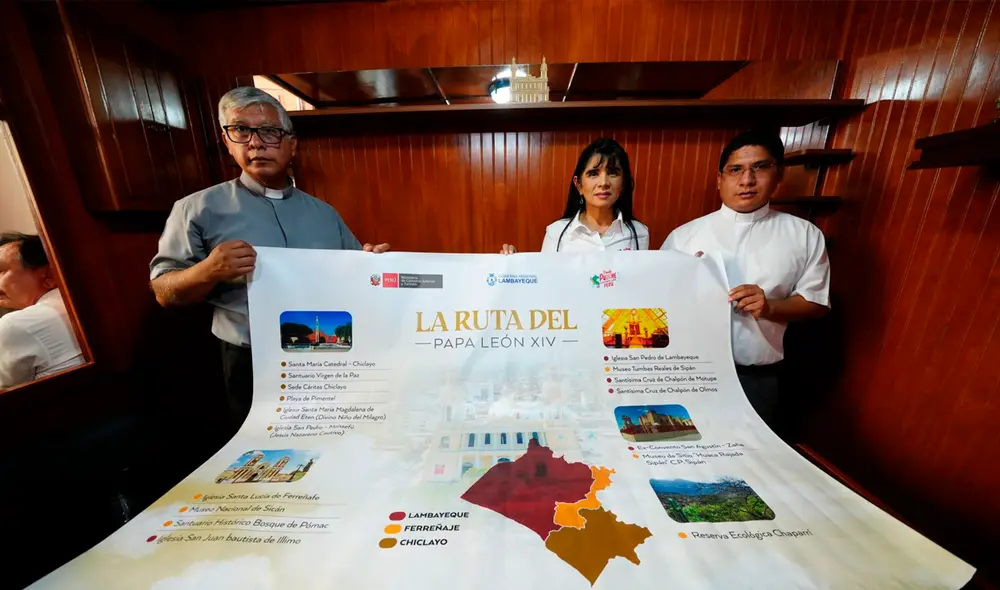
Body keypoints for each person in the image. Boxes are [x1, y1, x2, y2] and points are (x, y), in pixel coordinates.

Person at [150, 87, 389, 428]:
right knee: (258, 452)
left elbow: (356, 279)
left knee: (331, 438)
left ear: (292, 144)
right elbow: (164, 292)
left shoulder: (324, 213)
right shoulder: (196, 208)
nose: (256, 143)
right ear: (227, 140)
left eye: (270, 131)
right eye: (241, 130)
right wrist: (207, 270)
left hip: (328, 357)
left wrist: (369, 263)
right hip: (249, 361)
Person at [660, 130, 830, 427]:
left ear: (779, 175)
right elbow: (655, 301)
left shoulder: (803, 235)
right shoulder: (684, 236)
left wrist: (770, 307)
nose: (747, 180)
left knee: (751, 464)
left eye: (760, 168)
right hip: (688, 373)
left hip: (757, 379)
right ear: (719, 179)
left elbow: (816, 303)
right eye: (736, 170)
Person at [500, 138, 649, 254]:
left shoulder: (640, 234)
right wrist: (513, 264)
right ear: (578, 185)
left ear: (623, 183)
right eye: (593, 174)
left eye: (612, 173)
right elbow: (546, 282)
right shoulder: (556, 233)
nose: (603, 182)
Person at [0, 233, 85, 389]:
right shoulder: (83, 300)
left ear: (49, 275)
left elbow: (6, 394)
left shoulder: (15, 324)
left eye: (1, 271)